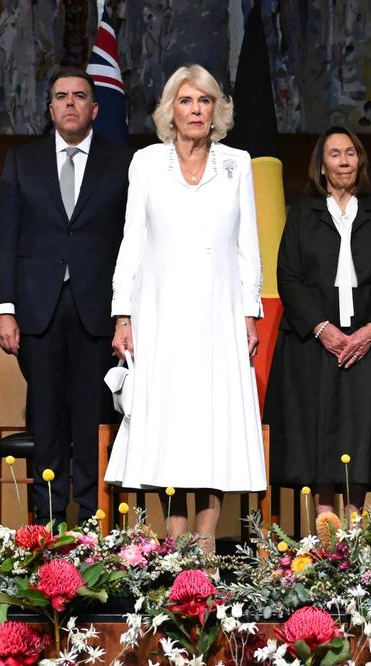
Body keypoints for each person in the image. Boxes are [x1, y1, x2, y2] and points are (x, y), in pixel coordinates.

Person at [107, 64, 265, 554]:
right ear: (169, 112)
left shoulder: (237, 163)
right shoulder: (147, 163)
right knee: (169, 425)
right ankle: (173, 541)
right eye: (186, 101)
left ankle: (206, 542)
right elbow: (131, 239)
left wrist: (249, 313)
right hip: (160, 315)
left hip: (219, 316)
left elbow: (248, 246)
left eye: (204, 101)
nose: (196, 110)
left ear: (216, 110)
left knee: (212, 425)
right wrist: (122, 313)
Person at [0, 68, 132, 524]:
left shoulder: (124, 163)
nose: (69, 104)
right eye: (60, 97)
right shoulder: (21, 161)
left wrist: (127, 315)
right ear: (49, 109)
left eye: (79, 96)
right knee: (47, 419)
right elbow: (4, 240)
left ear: (94, 108)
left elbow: (135, 241)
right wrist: (3, 309)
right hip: (37, 310)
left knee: (93, 420)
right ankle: (47, 525)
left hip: (99, 310)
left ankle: (92, 523)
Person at [264, 127, 371, 518]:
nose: (344, 161)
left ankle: (357, 527)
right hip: (313, 345)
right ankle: (324, 523)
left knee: (364, 432)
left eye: (351, 153)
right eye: (335, 154)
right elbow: (289, 277)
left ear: (360, 160)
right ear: (322, 164)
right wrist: (321, 328)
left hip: (369, 342)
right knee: (319, 432)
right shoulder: (301, 215)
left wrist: (370, 331)